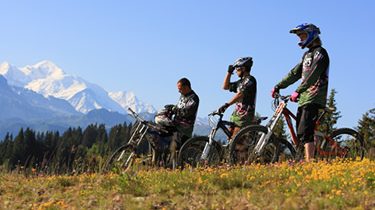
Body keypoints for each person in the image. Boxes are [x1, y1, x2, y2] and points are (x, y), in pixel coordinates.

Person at [271, 23, 329, 162]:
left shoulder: (320, 53)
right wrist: (278, 86)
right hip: (304, 97)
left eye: (302, 35)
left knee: (305, 130)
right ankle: (303, 158)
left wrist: (297, 91)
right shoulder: (306, 55)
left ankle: (309, 162)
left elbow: (313, 75)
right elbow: (294, 73)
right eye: (299, 36)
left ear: (311, 35)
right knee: (300, 130)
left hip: (314, 96)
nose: (300, 39)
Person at [218, 57, 257, 139]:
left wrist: (227, 105)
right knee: (230, 142)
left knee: (237, 145)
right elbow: (225, 86)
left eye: (237, 69)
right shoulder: (240, 82)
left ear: (243, 68)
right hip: (236, 117)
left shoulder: (250, 80)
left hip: (244, 118)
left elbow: (240, 94)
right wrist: (229, 72)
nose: (236, 71)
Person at [156, 77, 200, 146]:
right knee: (159, 131)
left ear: (186, 87)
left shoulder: (193, 98)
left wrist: (174, 109)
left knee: (176, 149)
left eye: (180, 89)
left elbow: (186, 112)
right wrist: (171, 108)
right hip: (176, 124)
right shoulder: (182, 96)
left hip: (184, 129)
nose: (179, 91)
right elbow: (179, 108)